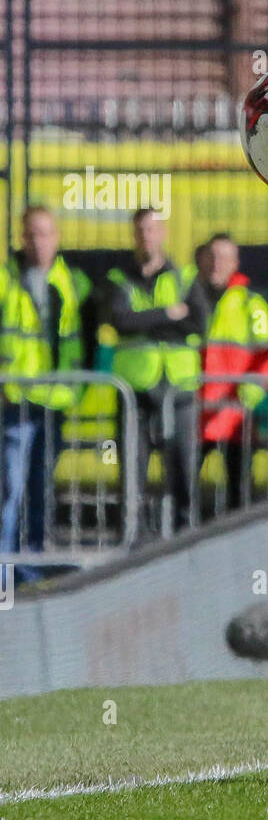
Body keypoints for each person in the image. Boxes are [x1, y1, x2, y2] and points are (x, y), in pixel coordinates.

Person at [0, 208, 92, 581]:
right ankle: (5, 572)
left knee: (40, 489)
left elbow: (86, 336)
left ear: (57, 238)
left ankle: (30, 567)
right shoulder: (6, 280)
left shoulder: (73, 281)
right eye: (32, 234)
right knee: (11, 489)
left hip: (54, 403)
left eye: (45, 234)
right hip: (15, 401)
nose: (38, 241)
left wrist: (78, 389)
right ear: (22, 238)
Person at [105, 209, 207, 532]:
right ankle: (133, 544)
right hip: (136, 391)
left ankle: (184, 541)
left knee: (183, 474)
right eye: (140, 231)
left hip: (178, 389)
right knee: (132, 477)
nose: (145, 236)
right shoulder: (119, 279)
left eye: (151, 229)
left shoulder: (185, 277)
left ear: (163, 233)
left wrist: (145, 321)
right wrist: (167, 313)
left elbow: (198, 323)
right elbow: (121, 322)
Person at [195, 234, 268, 513]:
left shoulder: (250, 305)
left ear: (235, 263)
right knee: (181, 492)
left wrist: (249, 397)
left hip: (234, 417)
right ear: (202, 259)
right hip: (196, 415)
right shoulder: (189, 298)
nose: (216, 264)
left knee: (239, 495)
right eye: (212, 257)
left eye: (223, 258)